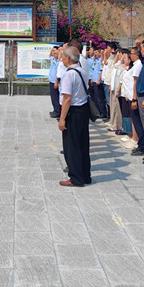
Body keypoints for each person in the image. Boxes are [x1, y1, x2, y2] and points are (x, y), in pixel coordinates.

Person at [58, 45, 92, 187]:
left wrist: (62, 119)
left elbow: (67, 98)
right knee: (83, 144)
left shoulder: (69, 74)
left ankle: (76, 178)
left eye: (63, 56)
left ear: (67, 58)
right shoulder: (82, 71)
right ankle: (85, 175)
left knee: (72, 146)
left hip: (73, 111)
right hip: (83, 110)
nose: (61, 59)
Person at [48, 46, 61, 119]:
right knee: (53, 97)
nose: (54, 53)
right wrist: (52, 49)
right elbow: (50, 55)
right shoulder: (53, 59)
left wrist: (56, 82)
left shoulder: (59, 62)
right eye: (53, 52)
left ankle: (57, 112)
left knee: (56, 97)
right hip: (51, 80)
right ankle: (55, 110)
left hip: (56, 82)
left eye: (55, 52)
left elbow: (58, 73)